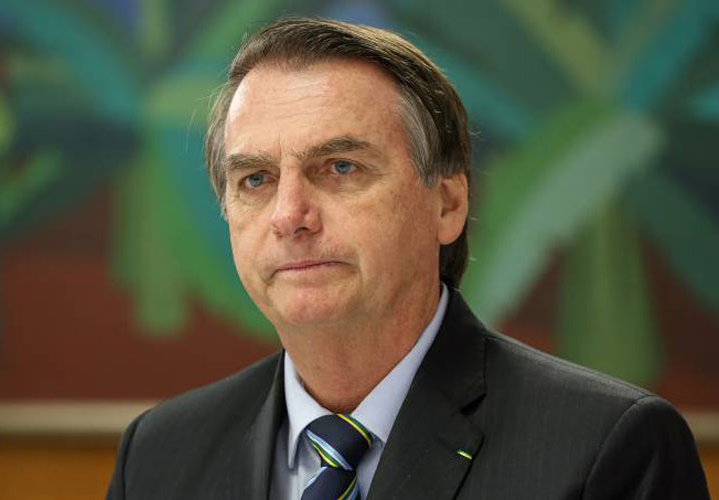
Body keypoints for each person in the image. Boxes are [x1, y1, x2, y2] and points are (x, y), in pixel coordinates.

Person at [106, 17, 709, 500]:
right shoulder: (158, 457)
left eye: (340, 167)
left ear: (447, 203)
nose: (290, 215)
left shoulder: (608, 449)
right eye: (256, 180)